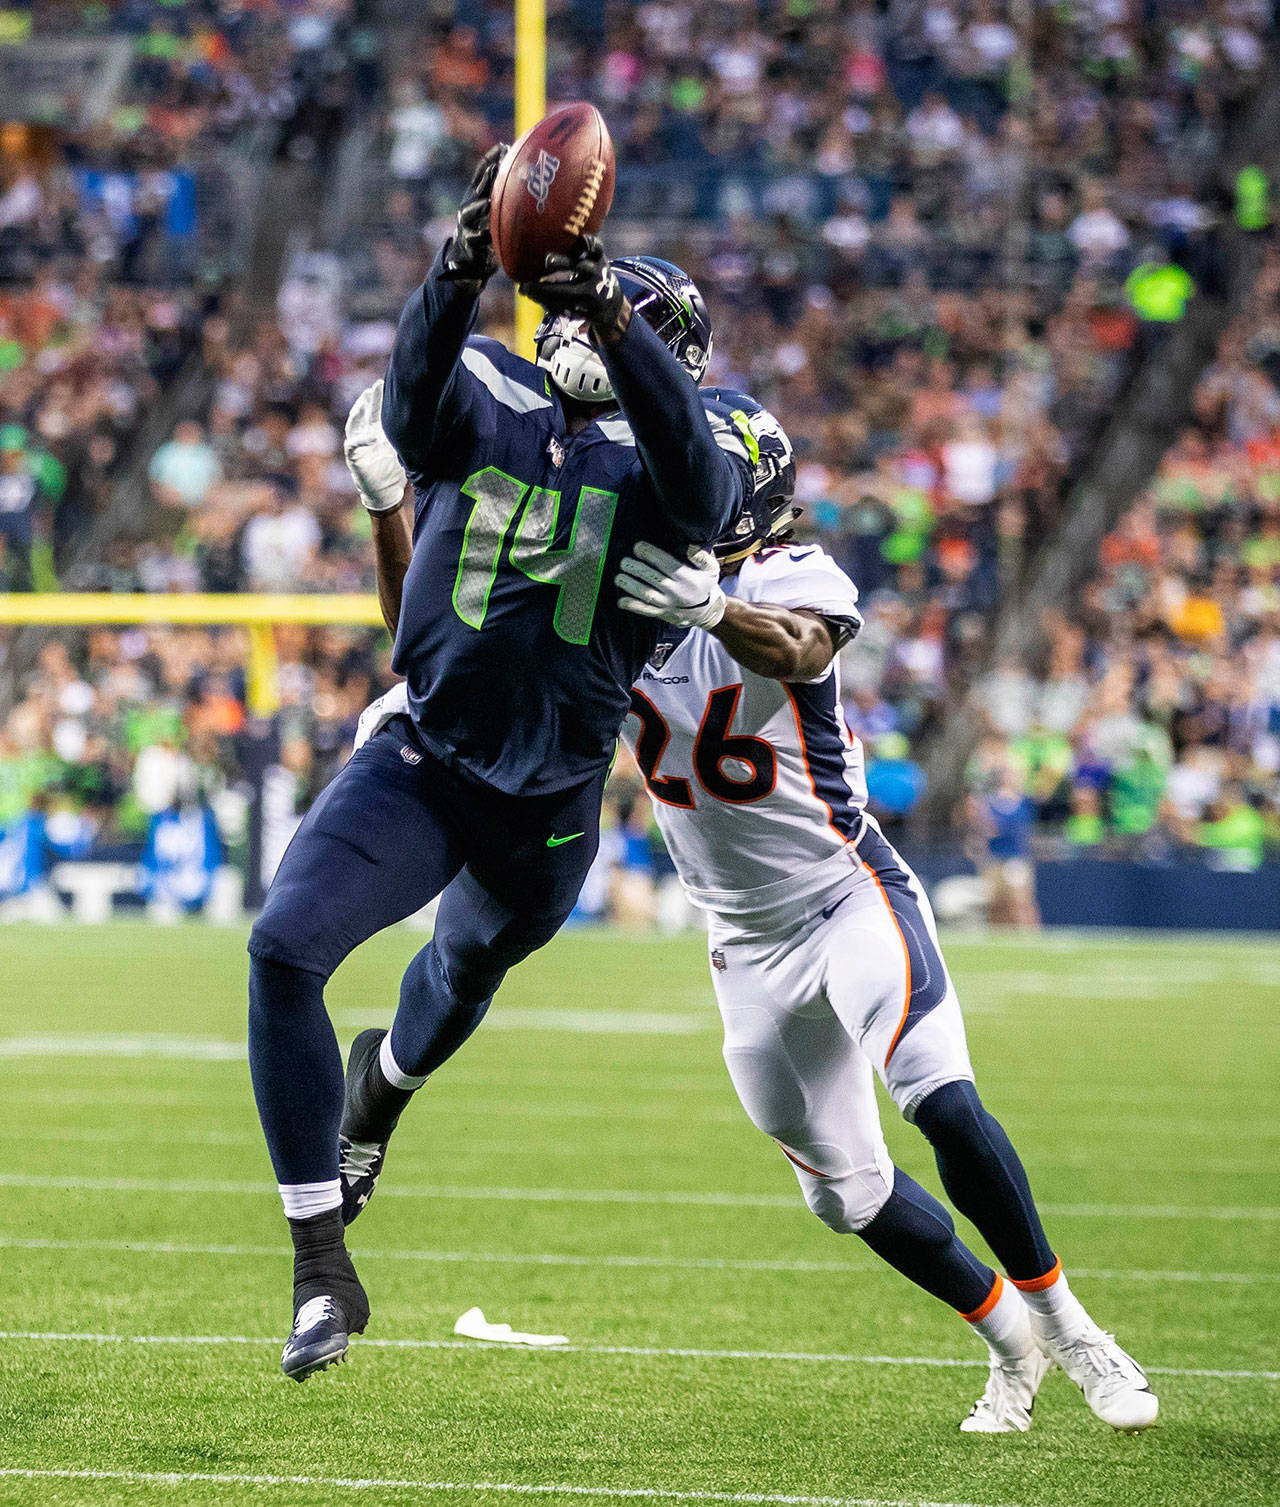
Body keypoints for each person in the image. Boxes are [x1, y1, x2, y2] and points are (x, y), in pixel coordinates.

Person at [345, 391, 1157, 1433]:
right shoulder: (615, 587)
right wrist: (387, 511)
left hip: (843, 893)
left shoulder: (786, 572)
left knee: (939, 1098)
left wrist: (712, 609)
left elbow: (801, 651)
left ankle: (1074, 1329)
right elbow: (440, 624)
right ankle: (1007, 1338)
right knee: (845, 1197)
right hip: (739, 941)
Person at [247, 146, 756, 1380]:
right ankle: (322, 1271)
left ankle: (387, 1086)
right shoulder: (482, 379)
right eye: (580, 288)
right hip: (425, 751)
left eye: (624, 304)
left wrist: (614, 321)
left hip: (552, 793)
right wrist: (458, 261)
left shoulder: (691, 443)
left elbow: (697, 490)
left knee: (456, 980)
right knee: (282, 948)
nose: (584, 308)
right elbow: (416, 397)